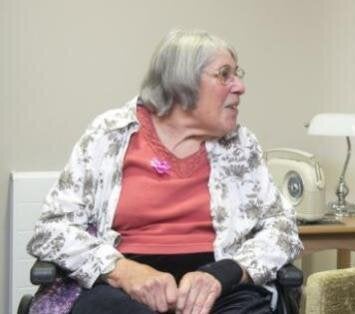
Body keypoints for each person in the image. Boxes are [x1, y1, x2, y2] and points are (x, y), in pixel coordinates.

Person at [27, 29, 303, 314]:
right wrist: (123, 271)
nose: (240, 86)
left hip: (221, 293)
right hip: (121, 290)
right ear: (182, 84)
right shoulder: (109, 134)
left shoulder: (240, 146)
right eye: (224, 74)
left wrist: (227, 272)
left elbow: (283, 228)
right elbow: (52, 230)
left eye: (237, 73)